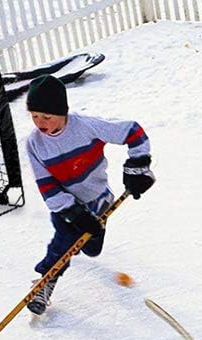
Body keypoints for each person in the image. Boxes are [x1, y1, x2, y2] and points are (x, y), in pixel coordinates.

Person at [24, 73, 154, 315]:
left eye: (46, 116)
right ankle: (44, 283)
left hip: (99, 200)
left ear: (62, 112)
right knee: (64, 242)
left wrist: (138, 166)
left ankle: (77, 243)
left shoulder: (86, 127)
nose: (39, 122)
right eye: (34, 116)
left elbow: (133, 131)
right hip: (66, 205)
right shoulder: (35, 144)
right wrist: (72, 212)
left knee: (92, 248)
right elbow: (47, 185)